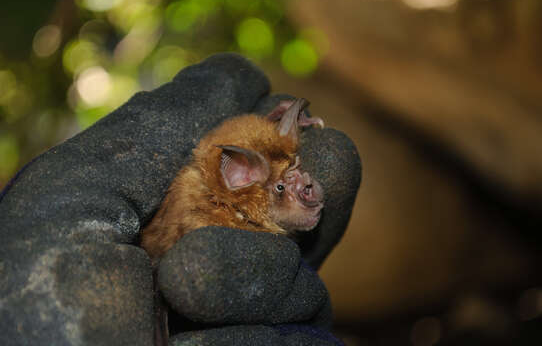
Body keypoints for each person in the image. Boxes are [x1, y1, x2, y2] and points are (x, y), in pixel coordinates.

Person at [0, 53, 361, 345]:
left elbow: (259, 147)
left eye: (295, 167)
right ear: (239, 180)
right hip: (163, 274)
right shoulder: (203, 217)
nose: (303, 181)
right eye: (280, 186)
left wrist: (283, 145)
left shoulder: (250, 182)